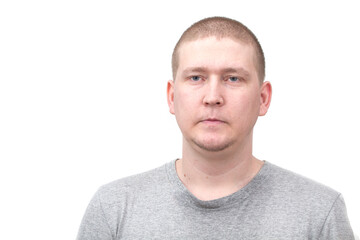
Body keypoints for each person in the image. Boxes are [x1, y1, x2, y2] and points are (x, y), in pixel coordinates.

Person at [77, 16, 354, 239]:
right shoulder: (113, 209)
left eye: (233, 78)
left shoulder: (319, 214)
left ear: (263, 98)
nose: (212, 96)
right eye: (196, 77)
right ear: (172, 96)